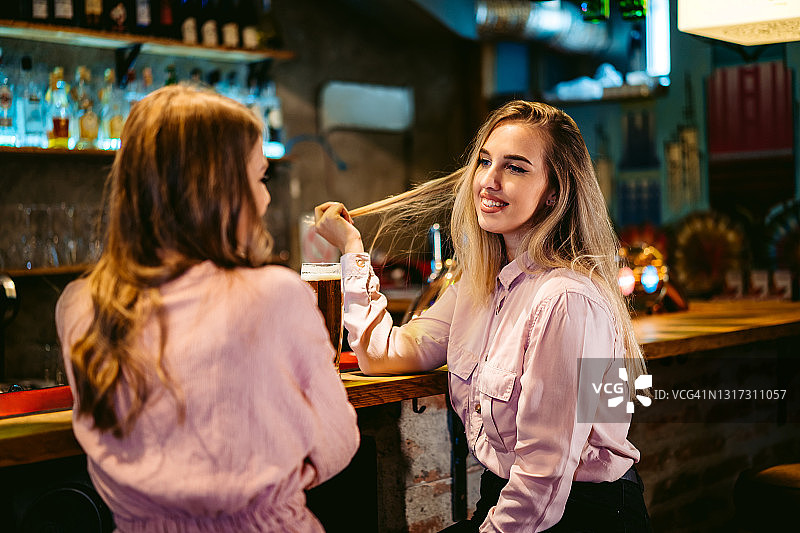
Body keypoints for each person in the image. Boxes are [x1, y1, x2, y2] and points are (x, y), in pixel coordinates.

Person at [314, 100, 652, 532]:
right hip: (508, 502)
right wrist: (351, 249)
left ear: (555, 191)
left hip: (582, 514)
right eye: (485, 161)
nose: (488, 182)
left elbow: (544, 477)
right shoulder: (479, 288)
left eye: (515, 168)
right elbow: (382, 354)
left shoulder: (567, 299)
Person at [56, 84, 359, 532]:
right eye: (259, 178)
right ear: (220, 189)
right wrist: (266, 492)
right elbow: (337, 440)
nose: (266, 198)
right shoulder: (275, 295)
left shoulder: (79, 304)